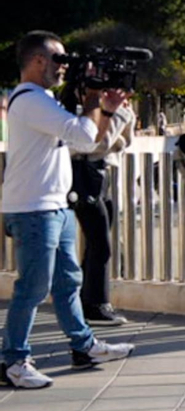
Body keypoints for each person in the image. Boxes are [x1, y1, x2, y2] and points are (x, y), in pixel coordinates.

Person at [3, 31, 136, 388]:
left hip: (55, 205)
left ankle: (84, 346)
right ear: (38, 61)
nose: (64, 68)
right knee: (32, 288)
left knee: (67, 284)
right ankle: (12, 361)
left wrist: (106, 109)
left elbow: (90, 139)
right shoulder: (30, 100)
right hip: (34, 209)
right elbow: (80, 133)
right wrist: (93, 98)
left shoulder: (43, 99)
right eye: (59, 60)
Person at [63, 83, 135, 326]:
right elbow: (96, 144)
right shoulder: (78, 111)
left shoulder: (101, 111)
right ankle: (96, 305)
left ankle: (88, 301)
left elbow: (125, 140)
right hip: (85, 180)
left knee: (97, 243)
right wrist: (116, 114)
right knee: (100, 244)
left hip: (100, 179)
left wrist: (117, 117)